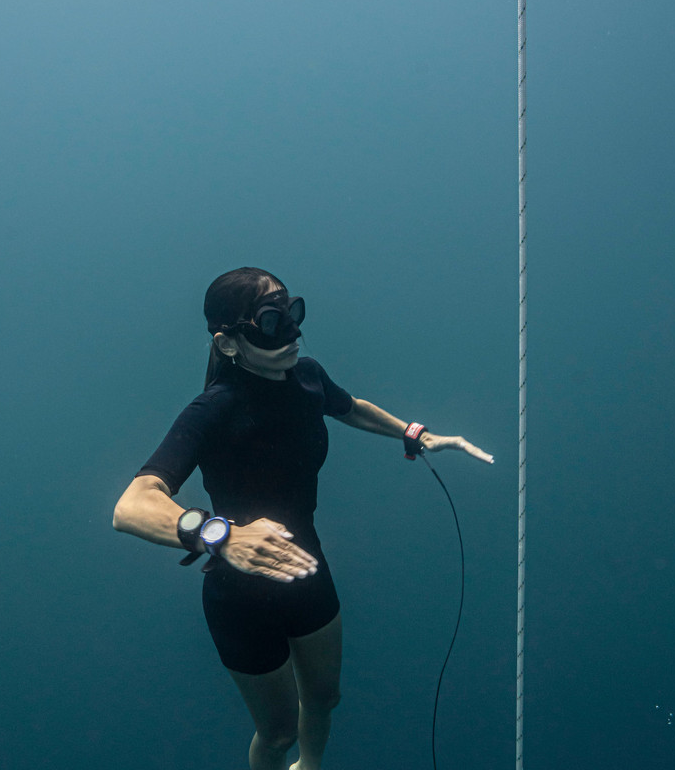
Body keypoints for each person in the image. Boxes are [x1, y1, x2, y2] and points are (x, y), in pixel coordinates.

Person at [113, 267, 493, 770]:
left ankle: (311, 767)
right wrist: (217, 534)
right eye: (271, 323)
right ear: (228, 343)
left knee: (325, 698)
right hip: (239, 595)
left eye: (291, 314)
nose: (291, 333)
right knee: (276, 733)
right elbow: (131, 505)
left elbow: (348, 406)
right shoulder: (213, 410)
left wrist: (414, 434)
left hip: (307, 568)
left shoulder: (307, 375)